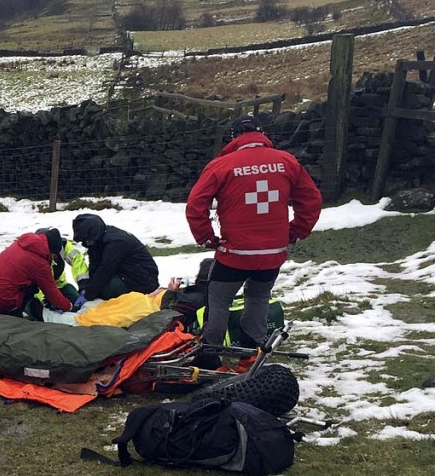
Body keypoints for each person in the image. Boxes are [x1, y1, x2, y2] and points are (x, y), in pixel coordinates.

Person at [185, 115, 322, 348]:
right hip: (273, 252)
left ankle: (210, 351)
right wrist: (296, 231)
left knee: (218, 300)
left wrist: (207, 238)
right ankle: (253, 347)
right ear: (262, 134)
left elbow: (195, 205)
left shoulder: (221, 165)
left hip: (234, 251)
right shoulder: (287, 161)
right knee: (259, 297)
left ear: (234, 137)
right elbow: (311, 200)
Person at [0, 228, 73, 320]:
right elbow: (52, 293)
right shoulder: (39, 262)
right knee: (31, 289)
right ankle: (14, 315)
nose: (54, 258)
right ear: (52, 251)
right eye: (54, 256)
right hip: (0, 298)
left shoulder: (21, 244)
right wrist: (69, 306)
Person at [71, 213, 159, 305]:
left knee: (106, 290)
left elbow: (105, 270)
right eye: (85, 241)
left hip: (143, 280)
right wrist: (86, 288)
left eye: (88, 240)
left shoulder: (116, 242)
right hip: (125, 273)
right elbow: (94, 266)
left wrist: (88, 295)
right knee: (96, 289)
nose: (87, 243)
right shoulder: (97, 240)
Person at [35, 227, 88, 305]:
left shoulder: (62, 244)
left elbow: (77, 260)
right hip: (40, 292)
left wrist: (83, 285)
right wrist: (44, 301)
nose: (55, 256)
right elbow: (35, 284)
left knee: (80, 305)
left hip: (61, 285)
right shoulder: (34, 256)